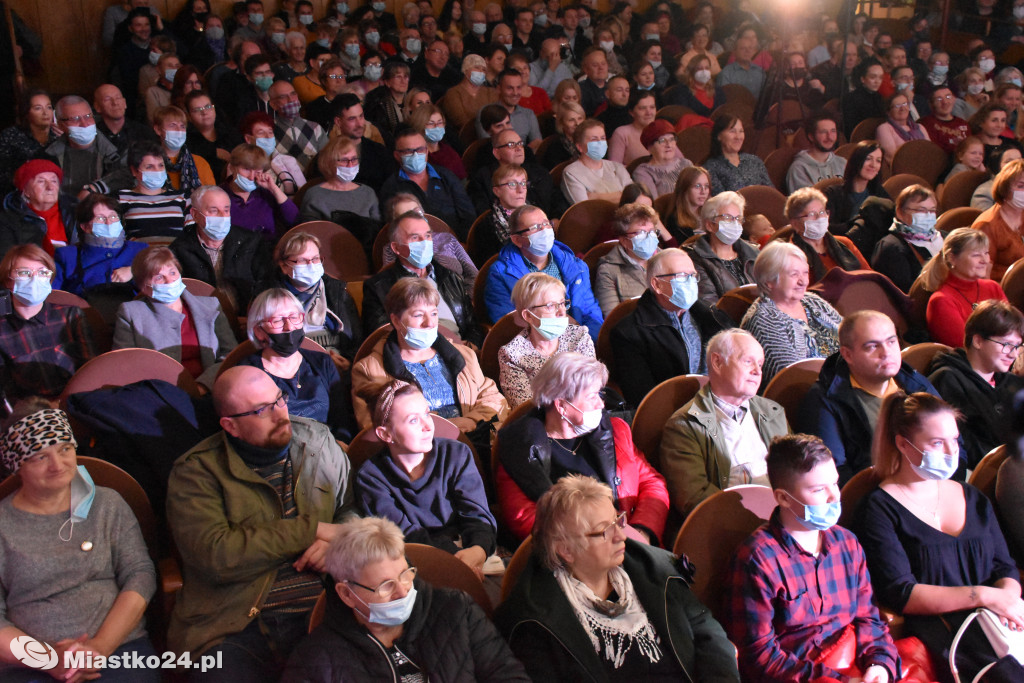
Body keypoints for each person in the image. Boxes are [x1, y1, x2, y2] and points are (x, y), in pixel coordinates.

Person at [167, 365, 355, 681]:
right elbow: (216, 557)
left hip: (326, 608)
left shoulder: (318, 443)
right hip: (234, 621)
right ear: (230, 426)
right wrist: (312, 531)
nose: (281, 414)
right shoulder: (196, 472)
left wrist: (337, 543)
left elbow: (350, 511)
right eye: (261, 410)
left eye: (280, 399)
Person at [494, 474, 739, 680]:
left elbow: (706, 629)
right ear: (566, 550)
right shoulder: (532, 623)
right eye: (604, 530)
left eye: (618, 521)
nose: (621, 536)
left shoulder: (656, 569)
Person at [854, 391, 1024, 683]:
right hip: (944, 630)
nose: (950, 451)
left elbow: (1004, 566)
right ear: (903, 444)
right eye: (936, 442)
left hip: (999, 617)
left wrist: (1008, 598)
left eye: (954, 440)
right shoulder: (879, 509)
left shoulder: (971, 495)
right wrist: (983, 596)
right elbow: (901, 592)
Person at [0, 401, 159, 683]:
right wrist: (48, 660)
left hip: (119, 649)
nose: (57, 465)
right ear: (17, 465)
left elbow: (140, 575)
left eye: (64, 449)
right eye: (40, 456)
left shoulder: (107, 504)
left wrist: (100, 647)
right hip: (29, 665)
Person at [725, 433, 900, 683]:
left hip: (854, 663)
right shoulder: (757, 560)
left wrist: (878, 664)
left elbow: (868, 618)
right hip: (802, 675)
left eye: (835, 483)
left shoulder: (847, 544)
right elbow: (758, 656)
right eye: (819, 490)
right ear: (783, 497)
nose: (835, 497)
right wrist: (838, 680)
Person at [281, 517, 529, 682]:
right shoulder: (314, 663)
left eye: (405, 575)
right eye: (385, 586)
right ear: (347, 594)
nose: (403, 592)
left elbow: (508, 675)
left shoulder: (456, 609)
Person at [495, 353, 669, 541]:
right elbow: (525, 519)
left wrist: (642, 531)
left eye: (600, 394)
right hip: (574, 557)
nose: (601, 404)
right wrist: (603, 540)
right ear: (561, 405)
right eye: (592, 396)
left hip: (633, 539)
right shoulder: (520, 447)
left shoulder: (615, 431)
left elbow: (652, 484)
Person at [356, 381, 497, 576]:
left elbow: (477, 513)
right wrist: (455, 561)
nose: (427, 426)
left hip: (470, 550)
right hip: (416, 563)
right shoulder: (371, 477)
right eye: (413, 420)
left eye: (427, 413)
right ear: (386, 434)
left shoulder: (456, 454)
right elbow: (403, 535)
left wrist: (479, 549)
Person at [799, 310, 959, 482]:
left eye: (891, 342)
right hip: (876, 495)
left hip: (935, 484)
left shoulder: (912, 381)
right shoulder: (825, 398)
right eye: (873, 347)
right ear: (847, 354)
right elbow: (835, 472)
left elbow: (956, 441)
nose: (886, 353)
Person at [351, 277, 507, 439]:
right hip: (419, 452)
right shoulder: (368, 370)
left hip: (475, 437)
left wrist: (471, 421)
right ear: (396, 321)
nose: (430, 323)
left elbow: (491, 397)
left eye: (433, 313)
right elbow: (374, 428)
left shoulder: (464, 355)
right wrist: (441, 429)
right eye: (418, 315)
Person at [659, 329, 789, 516]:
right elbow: (694, 497)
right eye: (748, 361)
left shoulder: (773, 412)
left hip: (783, 515)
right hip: (731, 524)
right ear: (718, 362)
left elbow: (796, 470)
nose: (757, 371)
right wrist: (752, 516)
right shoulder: (685, 425)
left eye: (760, 364)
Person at [238, 289, 355, 441]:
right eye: (278, 320)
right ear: (259, 331)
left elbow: (341, 421)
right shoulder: (247, 372)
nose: (289, 327)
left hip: (327, 451)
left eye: (294, 317)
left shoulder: (323, 362)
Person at [113, 246, 235, 389]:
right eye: (159, 277)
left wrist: (203, 386)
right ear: (144, 287)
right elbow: (125, 364)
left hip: (211, 388)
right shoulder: (131, 313)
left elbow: (231, 355)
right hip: (161, 392)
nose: (170, 281)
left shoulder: (211, 305)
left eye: (172, 272)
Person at [484, 204, 604, 339]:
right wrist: (566, 335)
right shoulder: (501, 274)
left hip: (580, 342)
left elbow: (590, 312)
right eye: (535, 227)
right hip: (536, 348)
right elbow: (509, 326)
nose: (545, 231)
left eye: (546, 224)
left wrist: (586, 340)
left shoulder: (574, 265)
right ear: (517, 240)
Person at [362, 211, 482, 346]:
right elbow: (382, 336)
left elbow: (473, 324)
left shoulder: (450, 276)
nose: (424, 243)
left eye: (428, 236)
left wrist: (471, 347)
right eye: (414, 238)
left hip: (461, 349)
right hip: (416, 355)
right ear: (396, 248)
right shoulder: (378, 287)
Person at [929, 300, 1024, 466]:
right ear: (978, 341)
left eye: (1018, 346)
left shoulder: (1012, 382)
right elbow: (965, 448)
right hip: (986, 474)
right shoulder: (948, 381)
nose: (1014, 355)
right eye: (1007, 345)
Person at [0, 244, 95, 399]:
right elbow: (5, 391)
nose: (34, 279)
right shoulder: (2, 329)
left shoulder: (71, 315)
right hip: (30, 411)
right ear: (7, 280)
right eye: (24, 272)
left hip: (75, 401)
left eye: (43, 272)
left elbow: (91, 370)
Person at [255, 230, 362, 365]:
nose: (311, 265)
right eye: (302, 260)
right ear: (284, 266)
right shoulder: (269, 299)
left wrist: (348, 361)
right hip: (294, 364)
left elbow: (357, 340)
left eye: (315, 259)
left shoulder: (337, 291)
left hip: (338, 361)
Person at [741, 242, 842, 383]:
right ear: (769, 280)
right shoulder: (763, 320)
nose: (803, 281)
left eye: (805, 273)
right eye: (794, 274)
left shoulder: (812, 301)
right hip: (809, 393)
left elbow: (850, 334)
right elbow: (794, 377)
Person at [169, 184, 271, 313]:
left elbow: (266, 284)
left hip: (248, 316)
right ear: (195, 214)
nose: (222, 216)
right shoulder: (180, 249)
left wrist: (254, 316)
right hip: (202, 319)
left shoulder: (251, 241)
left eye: (226, 210)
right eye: (213, 211)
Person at [499, 272, 595, 408]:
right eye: (550, 306)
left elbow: (592, 388)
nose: (562, 312)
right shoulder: (512, 355)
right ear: (528, 316)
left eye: (562, 303)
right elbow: (526, 408)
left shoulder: (579, 337)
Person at [380, 127, 476, 241]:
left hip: (455, 243)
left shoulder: (446, 176)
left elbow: (468, 214)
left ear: (426, 151)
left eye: (420, 150)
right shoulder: (391, 187)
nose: (415, 155)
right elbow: (393, 229)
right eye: (408, 151)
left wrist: (461, 244)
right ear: (397, 155)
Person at [920, 228, 1006, 347]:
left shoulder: (992, 287)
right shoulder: (941, 301)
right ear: (952, 258)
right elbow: (966, 348)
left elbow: (1013, 329)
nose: (985, 260)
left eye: (986, 253)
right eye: (976, 255)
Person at [53, 193, 147, 297]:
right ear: (85, 227)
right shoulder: (68, 255)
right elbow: (54, 296)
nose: (109, 222)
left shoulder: (140, 250)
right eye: (100, 218)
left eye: (113, 216)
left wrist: (133, 271)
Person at [44, 95, 128, 198]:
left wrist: (95, 188)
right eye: (75, 119)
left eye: (88, 116)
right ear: (61, 124)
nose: (84, 124)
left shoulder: (116, 148)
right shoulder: (49, 155)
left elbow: (128, 176)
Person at [783, 187, 869, 283]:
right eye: (811, 214)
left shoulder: (844, 243)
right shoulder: (791, 257)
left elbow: (870, 277)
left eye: (822, 212)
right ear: (795, 224)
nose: (819, 218)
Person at [686, 190, 758, 305]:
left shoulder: (753, 253)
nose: (735, 224)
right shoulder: (696, 259)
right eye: (727, 218)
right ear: (710, 225)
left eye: (738, 218)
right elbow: (708, 305)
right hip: (726, 321)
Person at [870, 184, 942, 293]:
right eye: (921, 210)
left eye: (932, 210)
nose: (928, 215)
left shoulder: (945, 237)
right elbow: (903, 293)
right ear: (900, 212)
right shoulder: (891, 247)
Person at [0, 159, 78, 259]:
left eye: (54, 181)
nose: (50, 187)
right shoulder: (8, 221)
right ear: (26, 191)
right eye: (41, 181)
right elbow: (6, 260)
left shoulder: (75, 211)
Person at [221, 143, 299, 242]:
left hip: (267, 251)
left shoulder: (266, 194)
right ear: (232, 167)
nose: (251, 177)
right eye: (246, 169)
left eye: (257, 172)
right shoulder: (219, 195)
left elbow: (295, 220)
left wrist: (274, 189)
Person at [595, 202, 662, 315]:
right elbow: (612, 318)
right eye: (641, 232)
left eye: (652, 231)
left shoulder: (666, 260)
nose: (649, 237)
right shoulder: (608, 270)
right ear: (624, 240)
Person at [298, 135, 381, 227]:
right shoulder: (314, 195)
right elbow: (310, 232)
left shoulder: (368, 193)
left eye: (354, 159)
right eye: (344, 160)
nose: (350, 165)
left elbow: (376, 231)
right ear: (329, 163)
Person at [117, 140, 192, 239]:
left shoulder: (182, 198)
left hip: (175, 254)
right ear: (134, 171)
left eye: (161, 165)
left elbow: (191, 235)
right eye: (149, 167)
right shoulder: (121, 198)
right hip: (138, 254)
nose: (157, 171)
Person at [973, 157, 1024, 281]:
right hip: (1003, 290)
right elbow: (983, 277)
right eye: (1021, 186)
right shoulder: (987, 225)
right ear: (1005, 188)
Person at [561, 118, 631, 204]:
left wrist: (597, 197)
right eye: (594, 139)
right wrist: (620, 195)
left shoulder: (617, 166)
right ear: (579, 147)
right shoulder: (572, 173)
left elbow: (633, 197)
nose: (600, 143)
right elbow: (585, 207)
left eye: (602, 138)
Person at [0, 91, 57, 196]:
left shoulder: (58, 136)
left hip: (54, 193)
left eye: (49, 107)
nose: (45, 113)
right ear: (26, 112)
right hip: (17, 195)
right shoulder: (11, 136)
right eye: (38, 108)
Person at [704, 114, 771, 194]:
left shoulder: (755, 161)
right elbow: (721, 202)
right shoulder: (711, 168)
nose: (738, 137)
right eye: (732, 131)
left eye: (741, 131)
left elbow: (771, 193)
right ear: (719, 136)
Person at [269, 80, 328, 172]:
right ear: (273, 104)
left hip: (313, 182)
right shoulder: (268, 131)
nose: (291, 100)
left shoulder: (316, 128)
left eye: (293, 94)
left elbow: (327, 161)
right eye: (283, 97)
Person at [785, 113, 847, 193]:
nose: (830, 137)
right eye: (823, 132)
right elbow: (803, 202)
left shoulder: (843, 163)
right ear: (811, 136)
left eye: (833, 131)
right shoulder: (799, 168)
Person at [631, 119, 691, 198]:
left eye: (672, 139)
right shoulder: (643, 172)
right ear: (649, 147)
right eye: (662, 140)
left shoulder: (686, 163)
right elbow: (653, 204)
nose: (669, 145)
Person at [442, 53, 498, 130]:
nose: (481, 72)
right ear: (465, 69)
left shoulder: (491, 92)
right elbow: (460, 120)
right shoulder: (453, 93)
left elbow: (497, 116)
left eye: (484, 69)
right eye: (477, 67)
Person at [408, 104, 465, 180]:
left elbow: (462, 181)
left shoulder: (449, 152)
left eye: (440, 122)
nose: (437, 127)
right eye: (431, 123)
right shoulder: (415, 156)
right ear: (420, 126)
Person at [875, 92, 931, 166]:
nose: (902, 108)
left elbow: (931, 150)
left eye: (905, 104)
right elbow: (892, 157)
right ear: (888, 112)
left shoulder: (920, 127)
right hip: (902, 170)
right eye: (897, 106)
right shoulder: (884, 128)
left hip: (926, 166)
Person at [665, 53, 725, 118]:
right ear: (692, 71)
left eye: (707, 68)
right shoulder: (682, 91)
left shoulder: (718, 91)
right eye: (699, 68)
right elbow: (682, 115)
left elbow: (723, 113)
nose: (704, 71)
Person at [662, 165, 710, 243]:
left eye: (706, 186)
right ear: (684, 189)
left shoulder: (711, 213)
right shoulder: (674, 221)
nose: (703, 191)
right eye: (697, 186)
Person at [717, 24, 766, 99]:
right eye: (743, 48)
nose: (747, 51)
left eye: (750, 48)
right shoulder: (726, 74)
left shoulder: (760, 72)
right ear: (735, 51)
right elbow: (723, 100)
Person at [919, 86, 971, 156]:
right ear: (931, 103)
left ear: (954, 99)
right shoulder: (925, 124)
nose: (945, 102)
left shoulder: (963, 123)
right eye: (939, 99)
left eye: (948, 97)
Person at [841, 60, 885, 138]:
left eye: (880, 77)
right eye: (872, 77)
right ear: (863, 79)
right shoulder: (851, 99)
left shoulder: (879, 97)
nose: (877, 81)